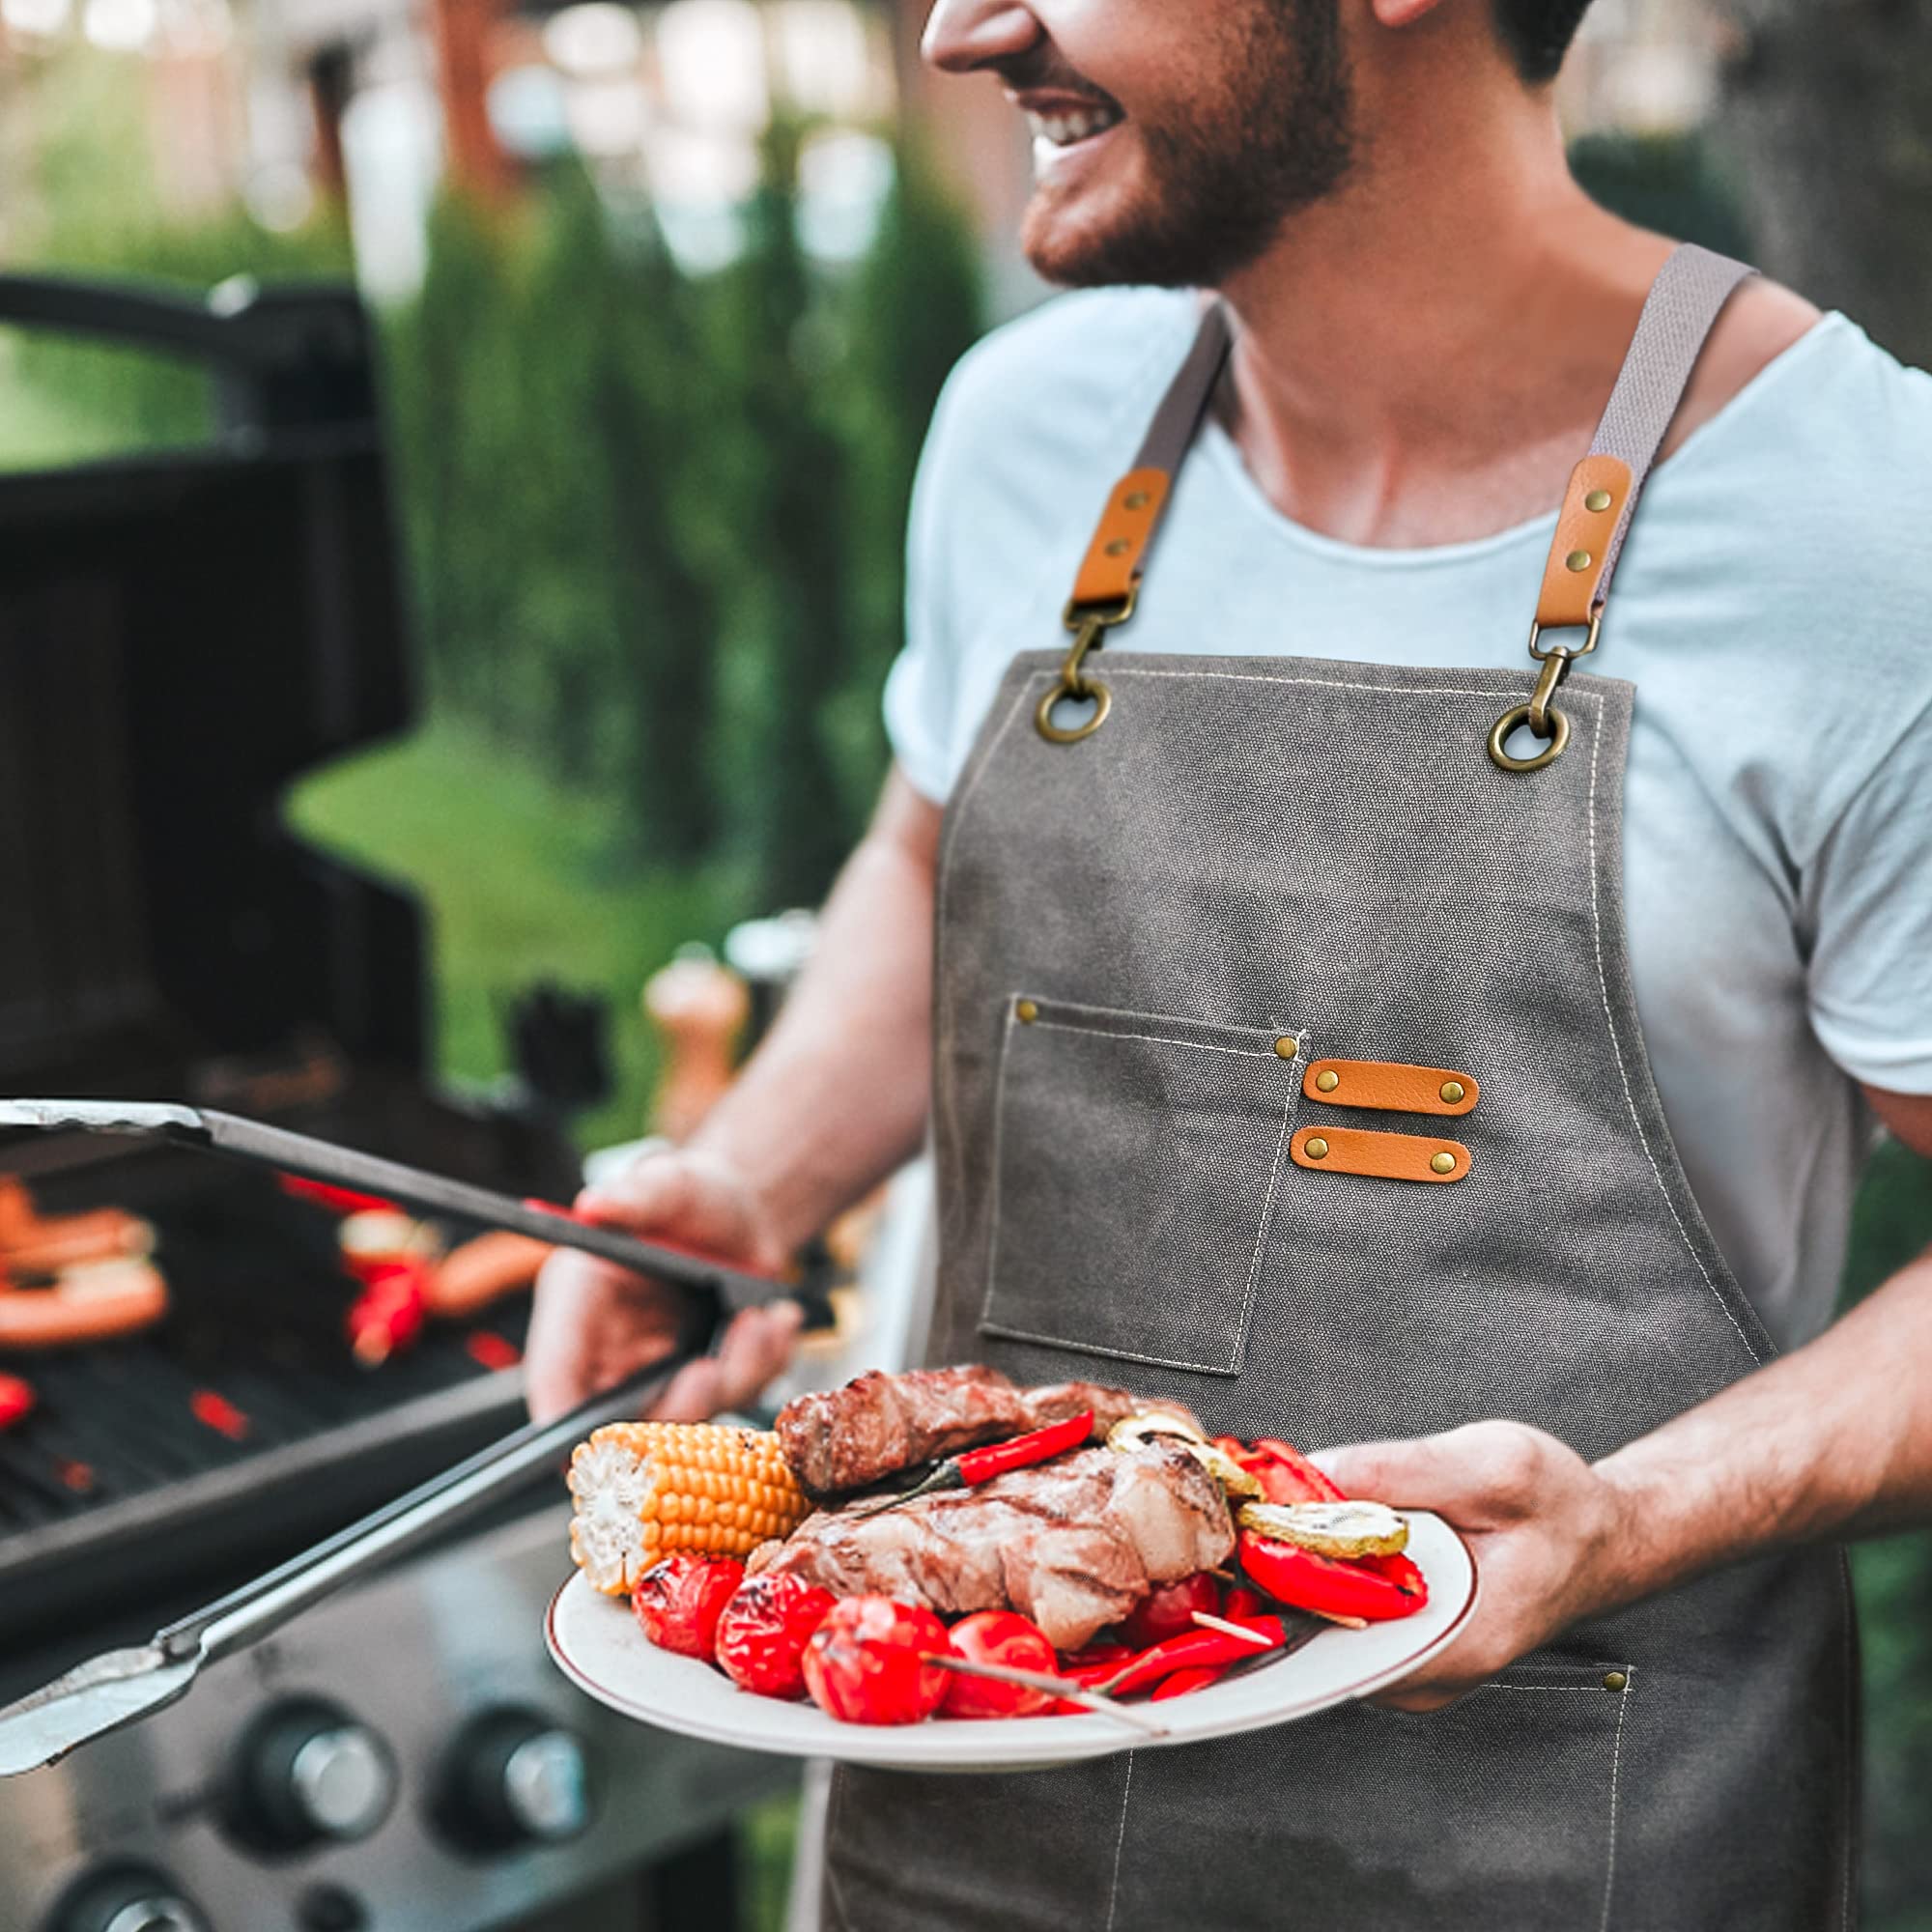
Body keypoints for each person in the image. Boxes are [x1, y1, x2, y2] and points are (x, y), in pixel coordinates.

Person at [528, 0, 1932, 1922]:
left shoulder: (1861, 531)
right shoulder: (1027, 428)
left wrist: (1627, 1519)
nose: (960, 29)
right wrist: (751, 1180)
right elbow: (926, 849)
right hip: (965, 1805)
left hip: (1570, 1825)